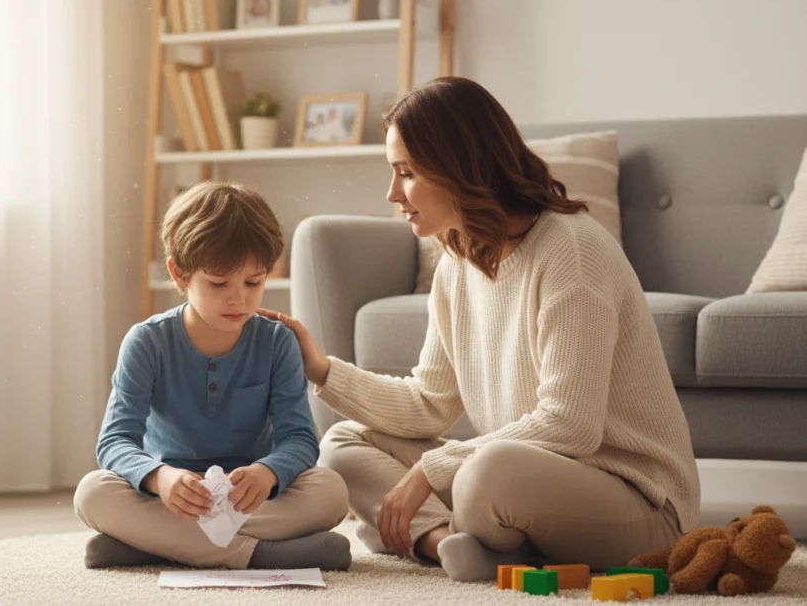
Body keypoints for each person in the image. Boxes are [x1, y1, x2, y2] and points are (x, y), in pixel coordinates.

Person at [259, 76, 701, 582]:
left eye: (405, 173)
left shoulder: (571, 251)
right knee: (343, 443)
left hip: (639, 502)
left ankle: (428, 531)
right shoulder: (456, 262)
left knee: (483, 476)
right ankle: (444, 540)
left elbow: (570, 424)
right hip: (525, 484)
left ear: (458, 167)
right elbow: (431, 402)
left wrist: (430, 471)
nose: (391, 193)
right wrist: (320, 369)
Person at [74, 181, 351, 571]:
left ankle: (152, 545)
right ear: (180, 274)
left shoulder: (277, 343)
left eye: (253, 282)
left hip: (250, 496)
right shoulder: (146, 342)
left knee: (332, 492)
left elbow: (300, 439)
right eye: (219, 283)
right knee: (93, 493)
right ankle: (259, 555)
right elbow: (116, 441)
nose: (239, 299)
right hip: (171, 496)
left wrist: (267, 472)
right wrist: (160, 478)